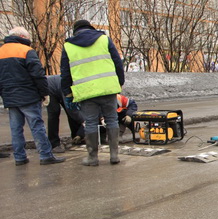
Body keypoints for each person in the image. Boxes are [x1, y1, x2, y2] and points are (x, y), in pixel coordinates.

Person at [60, 20, 125, 166]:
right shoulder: (104, 39)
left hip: (86, 91)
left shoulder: (68, 46)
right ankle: (114, 155)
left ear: (75, 31)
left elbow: (65, 73)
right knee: (112, 120)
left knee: (90, 122)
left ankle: (92, 157)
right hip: (108, 88)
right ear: (90, 28)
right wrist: (119, 82)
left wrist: (67, 93)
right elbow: (117, 62)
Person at [0, 27, 65, 165]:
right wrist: (44, 93)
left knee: (16, 128)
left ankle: (19, 157)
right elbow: (38, 75)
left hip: (10, 96)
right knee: (37, 126)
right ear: (23, 37)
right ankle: (45, 155)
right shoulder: (26, 51)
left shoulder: (1, 51)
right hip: (28, 95)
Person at [46, 74, 85, 152]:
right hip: (50, 88)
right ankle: (54, 144)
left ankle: (76, 137)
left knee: (73, 111)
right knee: (54, 113)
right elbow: (72, 110)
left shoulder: (81, 85)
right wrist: (83, 121)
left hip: (62, 89)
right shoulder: (70, 85)